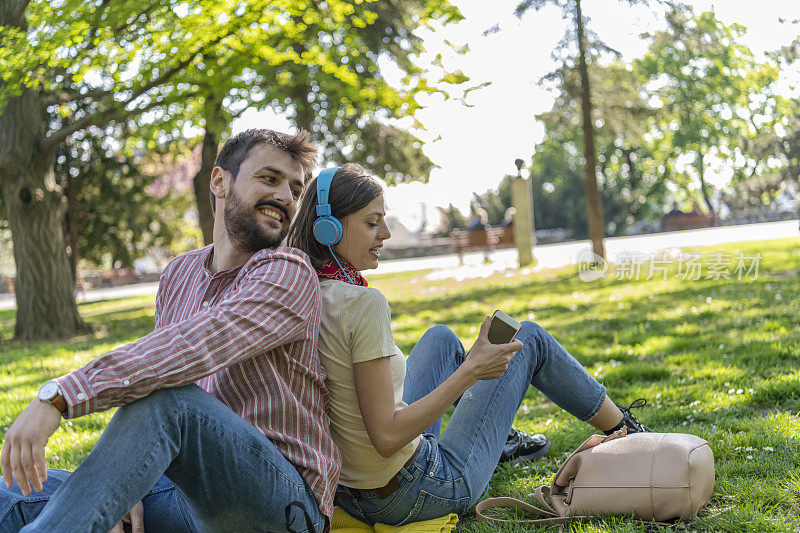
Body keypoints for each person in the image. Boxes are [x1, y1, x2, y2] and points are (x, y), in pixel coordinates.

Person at [0, 129, 339, 533]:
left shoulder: (288, 273)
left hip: (281, 505)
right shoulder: (180, 273)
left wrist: (61, 396)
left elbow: (194, 347)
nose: (286, 196)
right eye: (270, 179)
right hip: (184, 494)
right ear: (219, 181)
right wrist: (129, 487)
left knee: (172, 402)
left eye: (296, 189)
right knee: (10, 496)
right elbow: (153, 372)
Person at [286, 164, 650, 526]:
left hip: (351, 493)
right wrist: (473, 369)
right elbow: (386, 436)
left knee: (440, 338)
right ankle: (628, 432)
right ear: (328, 227)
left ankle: (499, 438)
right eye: (371, 222)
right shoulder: (363, 304)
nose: (384, 233)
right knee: (530, 338)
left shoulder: (305, 290)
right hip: (415, 492)